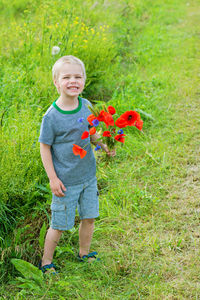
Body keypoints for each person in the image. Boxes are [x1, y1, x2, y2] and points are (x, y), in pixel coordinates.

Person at [38, 55, 115, 273]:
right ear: (56, 82)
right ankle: (46, 262)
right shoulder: (51, 117)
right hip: (65, 182)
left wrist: (104, 144)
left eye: (78, 76)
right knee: (59, 225)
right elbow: (44, 147)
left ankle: (84, 252)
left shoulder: (86, 106)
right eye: (67, 77)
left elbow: (91, 134)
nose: (73, 81)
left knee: (89, 217)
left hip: (88, 176)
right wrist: (53, 178)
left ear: (84, 80)